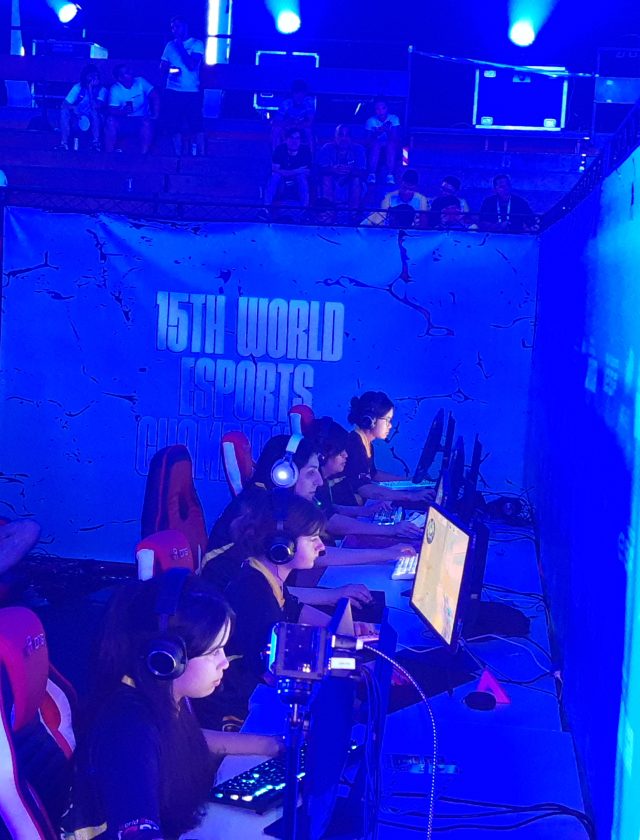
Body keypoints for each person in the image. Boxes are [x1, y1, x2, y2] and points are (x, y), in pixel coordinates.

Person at [63, 571, 282, 839]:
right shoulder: (129, 731)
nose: (224, 662)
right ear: (167, 659)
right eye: (214, 652)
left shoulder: (159, 695)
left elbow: (184, 739)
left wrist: (270, 745)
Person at [195, 493, 374, 731]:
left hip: (254, 690)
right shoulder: (254, 595)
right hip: (239, 709)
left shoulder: (265, 576)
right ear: (282, 547)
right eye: (312, 539)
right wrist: (348, 666)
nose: (321, 547)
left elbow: (294, 609)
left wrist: (345, 629)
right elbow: (273, 671)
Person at [203, 435, 414, 591]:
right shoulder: (264, 512)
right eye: (311, 473)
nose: (319, 481)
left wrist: (387, 554)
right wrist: (385, 554)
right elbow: (270, 596)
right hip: (221, 615)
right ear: (284, 475)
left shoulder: (271, 502)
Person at [308, 417, 422, 541]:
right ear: (322, 457)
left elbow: (330, 508)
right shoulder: (314, 483)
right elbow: (333, 522)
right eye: (340, 452)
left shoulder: (322, 480)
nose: (346, 455)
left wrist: (365, 511)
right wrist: (391, 529)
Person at [345, 391, 435, 505]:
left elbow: (373, 474)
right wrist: (410, 496)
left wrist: (409, 482)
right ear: (370, 420)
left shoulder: (366, 443)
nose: (390, 425)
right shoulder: (355, 444)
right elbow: (363, 488)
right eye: (387, 420)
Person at [160, 16, 205, 156]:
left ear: (185, 26)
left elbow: (191, 65)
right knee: (174, 125)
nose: (174, 29)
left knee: (196, 125)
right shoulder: (169, 45)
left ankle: (201, 155)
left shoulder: (197, 44)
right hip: (172, 90)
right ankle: (177, 156)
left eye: (177, 26)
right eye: (172, 27)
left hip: (191, 90)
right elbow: (162, 67)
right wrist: (172, 70)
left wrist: (180, 46)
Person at [105, 64, 159, 154]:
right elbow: (112, 111)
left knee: (146, 122)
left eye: (129, 70)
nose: (131, 73)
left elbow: (155, 95)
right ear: (120, 78)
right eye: (127, 73)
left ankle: (143, 155)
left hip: (141, 118)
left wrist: (155, 114)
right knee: (110, 121)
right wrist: (122, 112)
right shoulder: (115, 89)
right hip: (124, 120)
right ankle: (108, 154)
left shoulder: (140, 81)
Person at [317, 124, 367, 209]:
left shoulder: (359, 148)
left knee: (356, 180)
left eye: (347, 135)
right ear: (335, 137)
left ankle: (353, 213)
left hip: (351, 182)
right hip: (333, 181)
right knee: (326, 178)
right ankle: (329, 212)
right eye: (340, 135)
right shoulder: (327, 148)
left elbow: (363, 171)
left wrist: (350, 171)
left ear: (351, 138)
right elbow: (320, 169)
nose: (344, 139)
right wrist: (333, 169)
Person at [58, 64, 107, 152]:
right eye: (91, 76)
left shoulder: (102, 90)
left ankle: (96, 143)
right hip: (78, 117)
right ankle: (64, 143)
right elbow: (64, 105)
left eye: (96, 76)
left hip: (95, 118)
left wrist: (90, 90)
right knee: (64, 112)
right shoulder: (78, 87)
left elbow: (95, 107)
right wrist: (73, 108)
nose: (94, 78)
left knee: (94, 112)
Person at [264, 127, 312, 210]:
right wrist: (296, 171)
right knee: (275, 177)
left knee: (301, 177)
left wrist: (286, 172)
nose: (294, 141)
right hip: (282, 180)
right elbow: (275, 169)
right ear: (286, 140)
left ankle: (304, 208)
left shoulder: (305, 150)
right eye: (291, 138)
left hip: (298, 179)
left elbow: (306, 171)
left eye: (297, 138)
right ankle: (265, 208)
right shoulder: (280, 149)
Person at [365, 96, 401, 185]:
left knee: (390, 144)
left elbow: (395, 139)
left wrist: (387, 130)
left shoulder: (394, 118)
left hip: (390, 145)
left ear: (387, 108)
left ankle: (390, 175)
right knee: (376, 144)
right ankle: (371, 174)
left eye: (383, 108)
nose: (381, 111)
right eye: (378, 109)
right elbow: (367, 141)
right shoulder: (370, 121)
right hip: (375, 146)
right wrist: (378, 132)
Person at [272, 79, 316, 149]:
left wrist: (301, 124)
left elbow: (310, 120)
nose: (300, 97)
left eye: (302, 95)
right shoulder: (286, 103)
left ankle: (311, 153)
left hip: (302, 125)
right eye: (297, 94)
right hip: (287, 125)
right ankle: (275, 151)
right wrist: (287, 123)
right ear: (293, 94)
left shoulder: (309, 103)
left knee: (309, 132)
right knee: (276, 130)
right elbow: (277, 121)